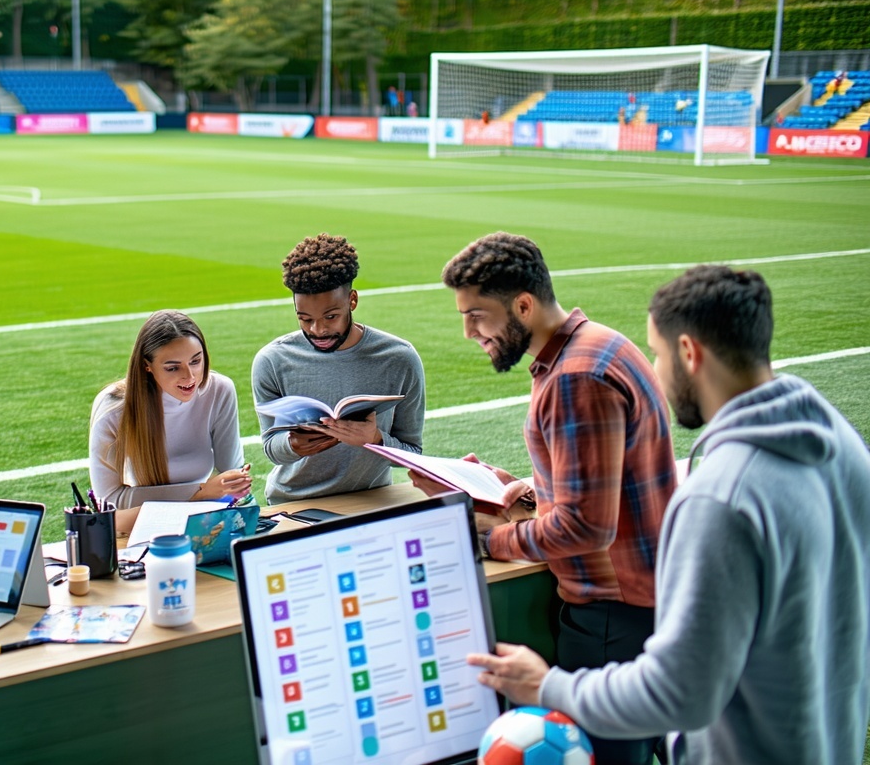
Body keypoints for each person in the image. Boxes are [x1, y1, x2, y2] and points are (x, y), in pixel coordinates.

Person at [468, 265, 870, 765]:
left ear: (688, 353)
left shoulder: (720, 499)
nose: (655, 372)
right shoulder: (844, 446)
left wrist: (547, 686)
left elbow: (679, 692)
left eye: (657, 354)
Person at [426, 231, 675, 765]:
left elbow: (586, 528)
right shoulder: (601, 343)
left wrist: (494, 540)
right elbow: (616, 466)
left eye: (477, 316)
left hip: (614, 616)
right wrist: (535, 486)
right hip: (646, 601)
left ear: (523, 305)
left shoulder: (574, 378)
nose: (469, 332)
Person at [252, 233, 425, 504]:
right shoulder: (272, 361)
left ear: (352, 301)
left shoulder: (399, 359)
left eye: (330, 317)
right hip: (294, 503)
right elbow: (271, 448)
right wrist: (293, 445)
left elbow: (413, 452)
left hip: (371, 499)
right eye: (304, 319)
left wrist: (375, 438)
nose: (317, 330)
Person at [89, 310, 252, 533]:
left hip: (203, 524)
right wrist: (200, 492)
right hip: (141, 532)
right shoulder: (113, 409)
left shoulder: (220, 390)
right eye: (173, 367)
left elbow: (230, 477)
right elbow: (109, 505)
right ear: (147, 365)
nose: (190, 377)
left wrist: (234, 483)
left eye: (196, 361)